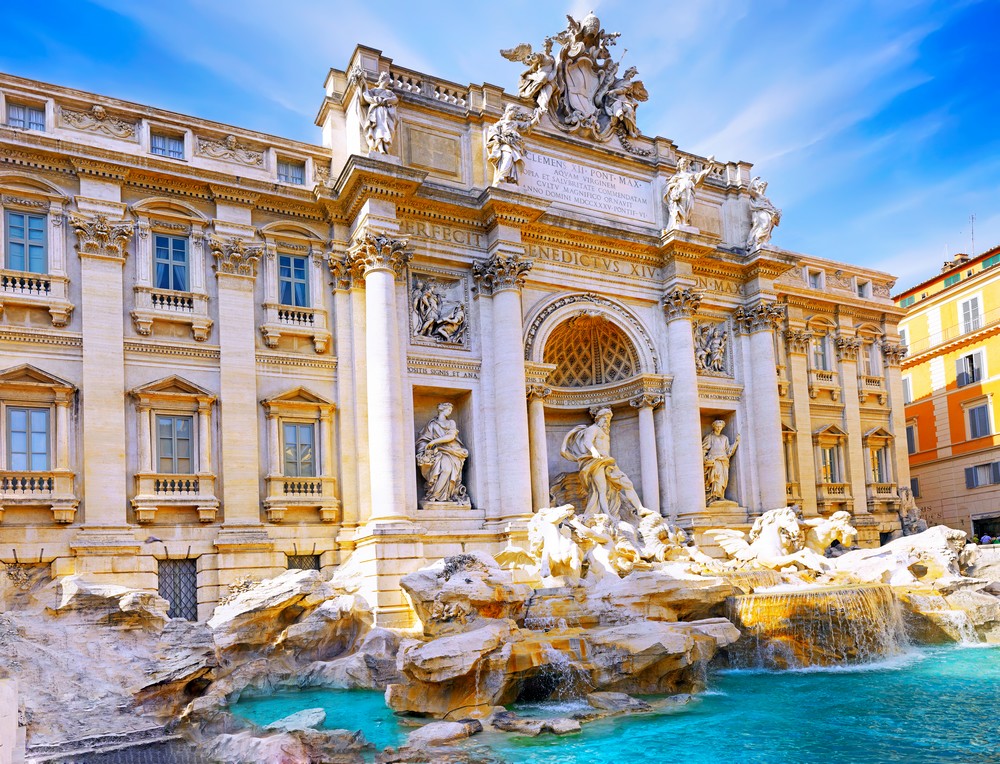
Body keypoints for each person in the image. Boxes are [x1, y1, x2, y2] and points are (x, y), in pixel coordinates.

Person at [560, 407, 647, 521]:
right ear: (598, 419)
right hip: (595, 462)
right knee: (602, 490)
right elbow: (587, 441)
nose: (607, 421)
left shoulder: (605, 432)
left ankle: (640, 508)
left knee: (627, 484)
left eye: (608, 419)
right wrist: (594, 452)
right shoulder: (593, 429)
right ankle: (607, 515)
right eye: (604, 418)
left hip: (608, 462)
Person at [415, 403, 469, 503]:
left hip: (452, 451)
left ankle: (446, 495)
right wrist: (427, 447)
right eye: (448, 410)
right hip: (438, 452)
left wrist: (434, 441)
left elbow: (451, 437)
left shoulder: (451, 422)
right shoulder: (432, 425)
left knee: (448, 470)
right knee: (445, 470)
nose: (450, 412)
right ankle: (434, 495)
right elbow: (423, 439)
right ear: (442, 410)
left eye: (451, 410)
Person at [664, 156, 716, 229]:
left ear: (687, 165)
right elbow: (668, 186)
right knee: (682, 207)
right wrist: (678, 185)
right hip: (681, 193)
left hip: (689, 193)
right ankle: (682, 222)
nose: (683, 164)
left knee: (689, 207)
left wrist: (711, 165)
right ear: (679, 165)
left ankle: (685, 221)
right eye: (682, 163)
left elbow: (703, 174)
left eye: (685, 163)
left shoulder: (691, 175)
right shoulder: (676, 176)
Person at [487, 105, 533, 185]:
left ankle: (510, 178)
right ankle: (502, 176)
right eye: (514, 112)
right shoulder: (501, 123)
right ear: (509, 111)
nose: (515, 114)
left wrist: (538, 114)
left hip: (514, 144)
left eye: (516, 113)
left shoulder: (515, 123)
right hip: (504, 143)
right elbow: (493, 131)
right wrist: (498, 138)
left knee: (513, 158)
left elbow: (527, 126)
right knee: (508, 156)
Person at [357, 71, 399, 154]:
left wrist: (387, 100)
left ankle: (385, 147)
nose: (389, 81)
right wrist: (362, 84)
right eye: (388, 79)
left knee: (388, 130)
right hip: (377, 113)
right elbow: (366, 96)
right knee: (379, 129)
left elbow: (395, 100)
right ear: (383, 79)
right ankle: (380, 148)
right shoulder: (374, 91)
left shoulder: (389, 93)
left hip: (386, 114)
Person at [703, 419, 739, 504]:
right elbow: (704, 449)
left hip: (724, 461)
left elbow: (728, 451)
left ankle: (721, 495)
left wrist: (736, 442)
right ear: (714, 427)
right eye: (717, 427)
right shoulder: (710, 437)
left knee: (723, 479)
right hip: (715, 460)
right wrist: (705, 458)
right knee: (716, 478)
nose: (719, 428)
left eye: (720, 427)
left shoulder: (724, 438)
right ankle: (714, 496)